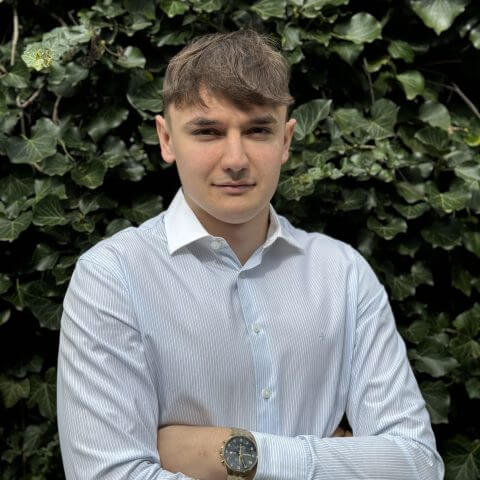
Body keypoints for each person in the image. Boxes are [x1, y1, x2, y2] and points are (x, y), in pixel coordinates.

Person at [57, 29, 444, 480]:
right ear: (166, 139)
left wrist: (231, 452)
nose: (235, 159)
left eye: (258, 129)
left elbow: (417, 464)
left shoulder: (343, 274)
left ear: (286, 140)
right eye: (207, 131)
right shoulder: (112, 278)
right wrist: (338, 459)